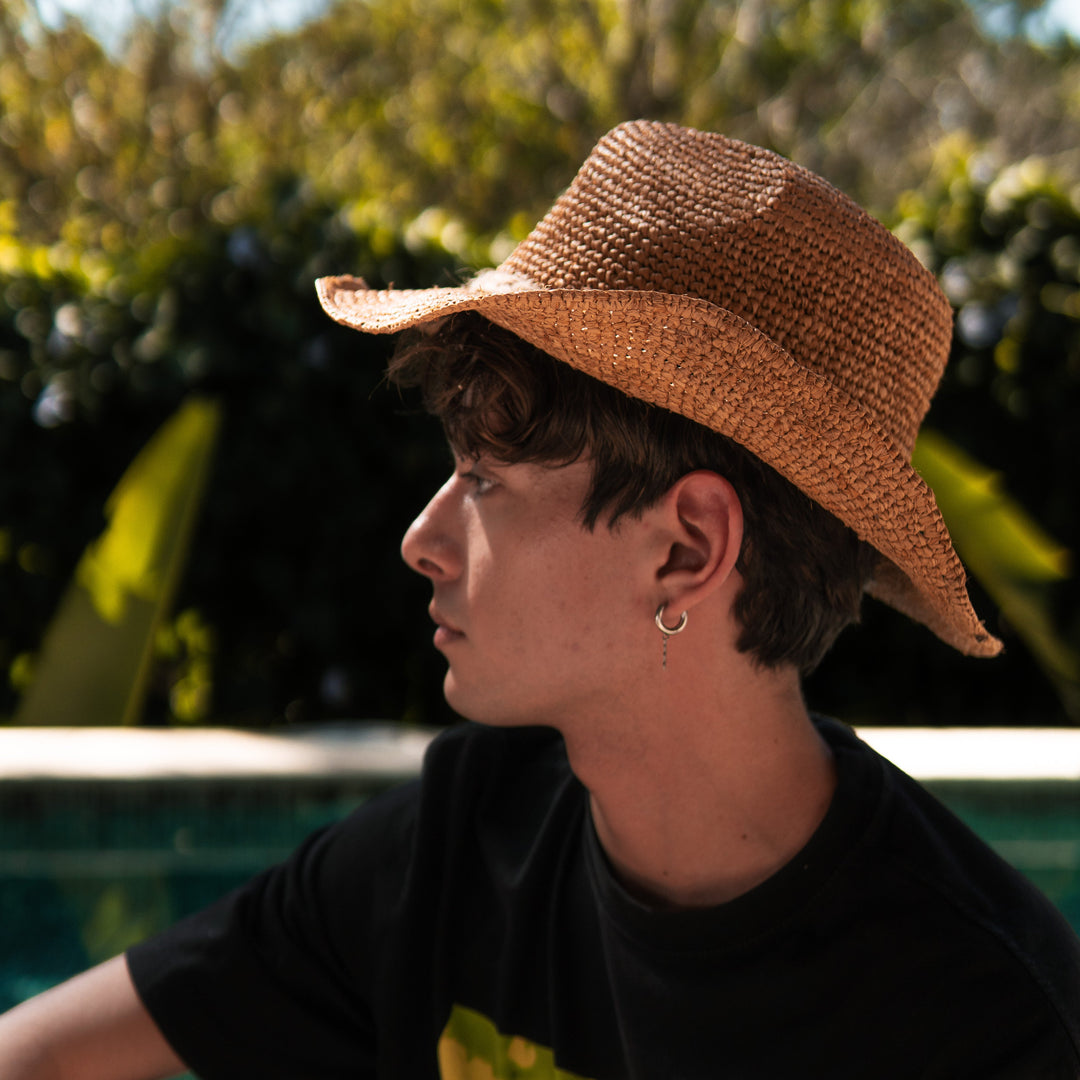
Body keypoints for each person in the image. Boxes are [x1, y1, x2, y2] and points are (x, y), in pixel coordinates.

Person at [2, 120, 1078, 1079]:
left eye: (483, 480)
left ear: (688, 547)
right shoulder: (457, 846)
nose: (420, 539)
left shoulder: (984, 1024)